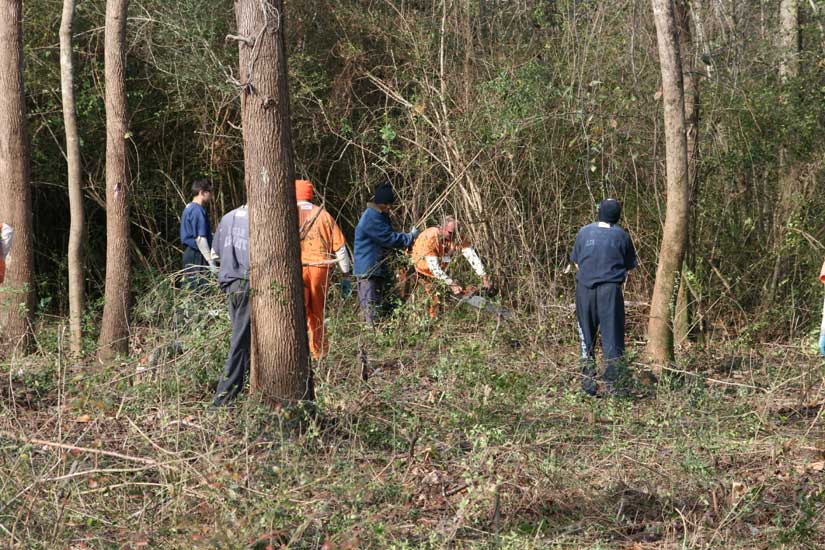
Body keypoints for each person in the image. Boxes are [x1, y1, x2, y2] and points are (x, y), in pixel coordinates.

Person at [570, 199, 637, 396]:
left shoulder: (584, 232)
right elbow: (628, 266)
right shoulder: (621, 235)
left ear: (600, 213)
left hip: (584, 289)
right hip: (610, 291)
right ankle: (615, 386)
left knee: (586, 337)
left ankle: (588, 385)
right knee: (612, 337)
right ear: (617, 216)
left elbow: (577, 263)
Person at [295, 179, 352, 359]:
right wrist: (346, 275)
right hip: (321, 268)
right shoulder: (323, 215)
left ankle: (298, 354)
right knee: (317, 312)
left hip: (297, 269)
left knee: (299, 312)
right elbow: (340, 248)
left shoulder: (287, 214)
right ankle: (319, 353)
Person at [353, 183, 419, 324]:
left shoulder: (380, 215)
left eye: (390, 204)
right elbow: (388, 238)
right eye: (386, 204)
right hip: (368, 271)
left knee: (383, 307)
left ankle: (383, 334)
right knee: (372, 310)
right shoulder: (371, 217)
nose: (389, 207)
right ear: (379, 202)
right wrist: (409, 237)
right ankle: (373, 340)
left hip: (377, 269)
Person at [409, 216, 491, 318]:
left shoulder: (455, 236)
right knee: (434, 299)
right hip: (421, 271)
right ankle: (431, 323)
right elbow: (434, 269)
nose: (454, 237)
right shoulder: (430, 239)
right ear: (440, 228)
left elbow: (471, 255)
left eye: (456, 233)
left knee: (449, 296)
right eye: (451, 233)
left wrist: (484, 277)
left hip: (438, 272)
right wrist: (452, 284)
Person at [210, 204, 250, 406]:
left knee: (243, 337)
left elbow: (214, 255)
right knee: (240, 341)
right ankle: (223, 398)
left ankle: (242, 386)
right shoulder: (258, 220)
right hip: (246, 283)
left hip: (229, 283)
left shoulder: (227, 217)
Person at [179, 179, 215, 288]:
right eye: (210, 191)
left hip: (191, 254)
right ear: (201, 192)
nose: (212, 195)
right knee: (198, 289)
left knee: (190, 289)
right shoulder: (197, 211)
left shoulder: (189, 207)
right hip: (197, 255)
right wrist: (211, 262)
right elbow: (200, 239)